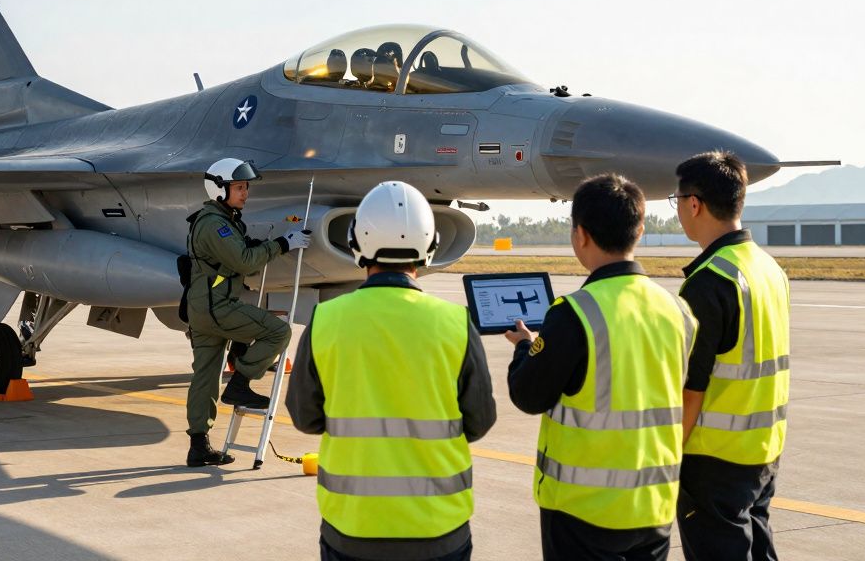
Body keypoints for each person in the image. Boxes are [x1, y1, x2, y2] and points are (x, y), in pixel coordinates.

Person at [287, 181, 497, 561]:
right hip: (439, 530)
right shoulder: (454, 322)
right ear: (430, 248)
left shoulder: (326, 320)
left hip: (352, 529)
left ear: (356, 244)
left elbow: (305, 417)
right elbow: (479, 421)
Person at [505, 174, 697, 561]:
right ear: (639, 230)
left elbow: (528, 394)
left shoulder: (574, 313)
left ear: (580, 235)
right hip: (652, 506)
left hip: (584, 512)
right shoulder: (678, 310)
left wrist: (526, 348)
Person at [672, 152, 790, 561]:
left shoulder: (709, 282)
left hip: (715, 459)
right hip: (763, 449)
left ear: (694, 203)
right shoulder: (769, 268)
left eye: (677, 201)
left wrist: (668, 454)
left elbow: (692, 389)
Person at [182, 158, 310, 467]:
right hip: (217, 307)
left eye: (246, 187)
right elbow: (244, 262)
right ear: (220, 189)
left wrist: (259, 244)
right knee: (279, 331)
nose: (245, 192)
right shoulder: (214, 224)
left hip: (202, 308)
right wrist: (283, 243)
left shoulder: (221, 219)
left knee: (205, 377)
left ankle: (198, 447)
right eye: (239, 187)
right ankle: (241, 382)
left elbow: (235, 252)